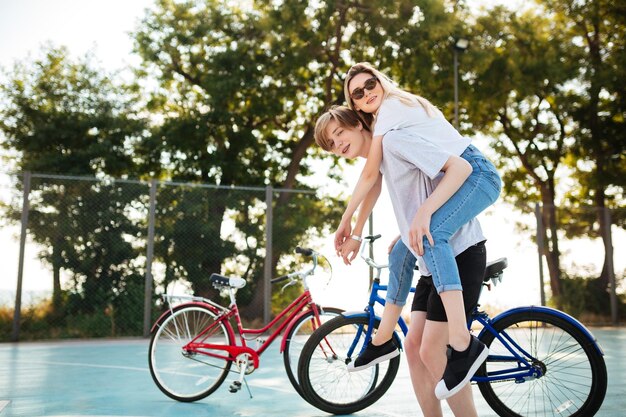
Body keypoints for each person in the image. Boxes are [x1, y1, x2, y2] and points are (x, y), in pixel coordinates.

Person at [333, 62, 501, 399]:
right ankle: (382, 339)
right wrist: (354, 231)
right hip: (462, 172)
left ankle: (462, 342)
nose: (367, 93)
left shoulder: (391, 112)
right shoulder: (390, 122)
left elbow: (369, 176)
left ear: (380, 82)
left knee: (431, 234)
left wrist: (346, 220)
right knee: (401, 249)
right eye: (358, 93)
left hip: (475, 173)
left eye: (370, 84)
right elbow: (376, 181)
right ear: (355, 105)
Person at [314, 105, 487, 416]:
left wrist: (352, 224)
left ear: (357, 124)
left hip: (459, 251)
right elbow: (372, 187)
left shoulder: (395, 141)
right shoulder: (382, 163)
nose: (338, 144)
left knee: (432, 349)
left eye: (339, 133)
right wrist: (359, 233)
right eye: (331, 144)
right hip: (428, 262)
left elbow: (455, 170)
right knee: (412, 348)